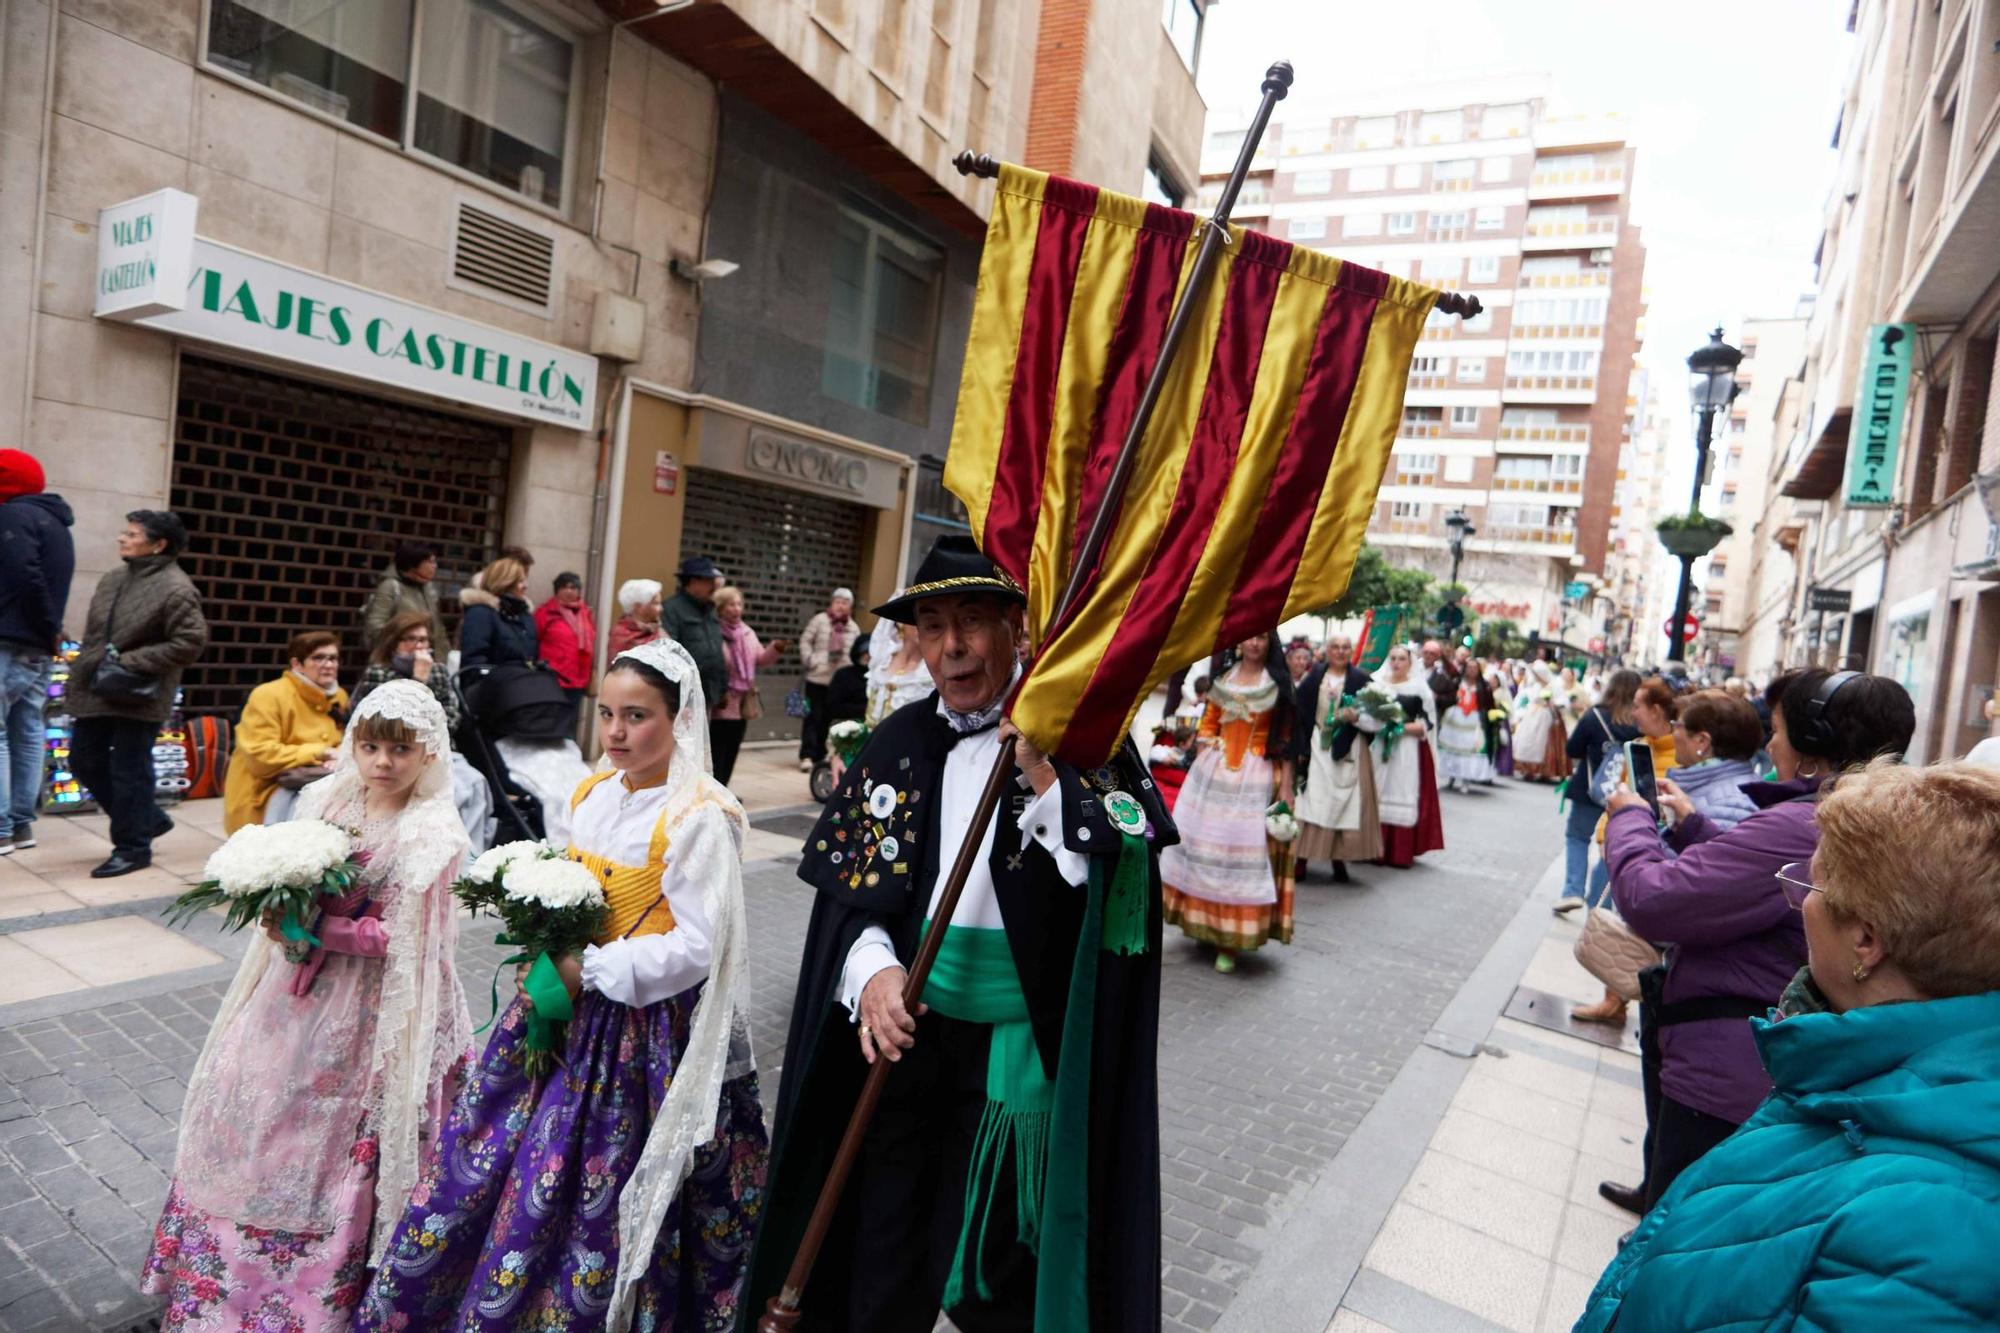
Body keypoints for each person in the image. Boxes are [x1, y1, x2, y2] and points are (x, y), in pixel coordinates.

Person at [747, 535, 1174, 1332]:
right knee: (885, 1238)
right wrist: (872, 971)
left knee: (998, 1266)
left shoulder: (1084, 742)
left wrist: (1046, 778)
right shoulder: (899, 740)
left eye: (972, 620)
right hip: (908, 1035)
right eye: (933, 624)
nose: (951, 645)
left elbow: (1126, 881)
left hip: (1024, 1053)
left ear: (1017, 627)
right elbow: (850, 903)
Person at [360, 640, 767, 1329]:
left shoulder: (700, 813)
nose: (615, 731)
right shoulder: (591, 791)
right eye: (606, 713)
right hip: (563, 991)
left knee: (602, 1164)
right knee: (500, 1141)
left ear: (678, 718)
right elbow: (573, 884)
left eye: (636, 715)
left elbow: (701, 945)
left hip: (641, 1023)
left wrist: (595, 969)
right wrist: (544, 940)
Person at [1574, 760, 2000, 1333]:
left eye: (1812, 886)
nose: (1800, 904)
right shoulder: (1852, 1081)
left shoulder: (1928, 1231)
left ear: (1866, 940)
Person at [142, 682, 472, 1330]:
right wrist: (278, 905)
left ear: (428, 752)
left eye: (400, 749)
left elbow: (411, 938)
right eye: (370, 746)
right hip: (296, 986)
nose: (382, 761)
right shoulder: (327, 798)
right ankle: (225, 1280)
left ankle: (318, 1292)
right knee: (256, 1102)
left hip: (376, 1003)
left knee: (336, 1127)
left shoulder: (430, 830)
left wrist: (324, 928)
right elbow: (293, 869)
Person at [1591, 668, 1916, 1216]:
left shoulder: (1804, 824)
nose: (1771, 743)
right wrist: (1695, 829)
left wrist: (1631, 821)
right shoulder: (1872, 820)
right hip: (1768, 1056)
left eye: (1780, 730)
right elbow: (1760, 880)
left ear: (1813, 744)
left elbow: (1654, 899)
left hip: (1729, 1065)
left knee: (1676, 1233)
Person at [67, 510, 208, 878]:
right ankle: (148, 818)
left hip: (141, 689)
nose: (122, 538)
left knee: (129, 769)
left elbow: (190, 641)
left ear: (158, 544)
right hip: (100, 684)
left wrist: (131, 661)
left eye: (132, 534)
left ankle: (133, 848)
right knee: (83, 759)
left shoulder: (176, 588)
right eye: (124, 532)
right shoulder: (114, 578)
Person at [1161, 632, 1297, 973]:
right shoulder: (1224, 678)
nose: (1255, 643)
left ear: (1270, 643)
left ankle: (1231, 940)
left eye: (1262, 637)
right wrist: (1207, 749)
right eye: (1250, 636)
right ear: (1239, 641)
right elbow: (1208, 724)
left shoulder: (1277, 685)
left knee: (1238, 856)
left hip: (1257, 775)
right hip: (1214, 774)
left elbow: (1287, 740)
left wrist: (1286, 787)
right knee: (1206, 851)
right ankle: (1204, 925)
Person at [0, 449, 74, 855]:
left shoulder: (13, 516)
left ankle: (2, 828)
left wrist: (48, 625)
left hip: (10, 640)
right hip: (36, 645)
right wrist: (51, 629)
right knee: (27, 730)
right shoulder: (56, 522)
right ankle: (20, 826)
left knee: (8, 733)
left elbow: (24, 576)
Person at [223, 631, 350, 833]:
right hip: (265, 794)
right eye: (318, 658)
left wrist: (339, 756)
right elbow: (260, 756)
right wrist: (322, 752)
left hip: (316, 783)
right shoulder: (268, 695)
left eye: (333, 658)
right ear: (296, 664)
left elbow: (344, 740)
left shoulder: (339, 696)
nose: (328, 665)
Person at [1293, 633, 1383, 883]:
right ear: (1327, 650)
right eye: (1335, 647)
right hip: (1316, 745)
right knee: (1310, 802)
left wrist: (1356, 717)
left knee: (1344, 806)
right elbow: (1299, 711)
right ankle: (1301, 858)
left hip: (1348, 748)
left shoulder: (1362, 680)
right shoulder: (1315, 676)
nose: (1340, 651)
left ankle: (1339, 859)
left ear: (1351, 651)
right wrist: (1299, 747)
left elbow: (1378, 720)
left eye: (1345, 647)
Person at [1554, 669, 1641, 914]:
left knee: (1577, 837)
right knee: (1612, 848)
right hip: (1624, 796)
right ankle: (1599, 903)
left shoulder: (1595, 716)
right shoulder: (1640, 724)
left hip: (1589, 790)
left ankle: (1572, 891)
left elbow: (1573, 749)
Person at [1370, 644, 1444, 868]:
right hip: (1379, 745)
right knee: (1377, 788)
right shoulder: (1377, 684)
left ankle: (1399, 851)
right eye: (1393, 658)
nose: (1396, 663)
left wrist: (1401, 728)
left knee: (1401, 789)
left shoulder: (1419, 689)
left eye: (1401, 659)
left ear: (1410, 662)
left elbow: (1427, 724)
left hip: (1406, 749)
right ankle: (1372, 848)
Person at [712, 584, 785, 785]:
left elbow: (760, 658)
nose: (736, 609)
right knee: (717, 749)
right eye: (731, 604)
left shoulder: (747, 632)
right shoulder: (714, 632)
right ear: (720, 608)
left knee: (733, 748)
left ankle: (723, 789)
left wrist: (774, 649)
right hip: (722, 699)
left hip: (743, 700)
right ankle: (713, 789)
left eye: (739, 604)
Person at [1662, 689, 1764, 828]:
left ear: (1702, 741)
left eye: (1677, 725)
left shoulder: (1729, 804)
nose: (1673, 733)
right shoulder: (1725, 789)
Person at [352, 612, 459, 733]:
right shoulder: (378, 673)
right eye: (411, 639)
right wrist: (419, 682)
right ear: (393, 643)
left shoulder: (439, 671)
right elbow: (387, 724)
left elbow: (451, 718)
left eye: (423, 640)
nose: (419, 646)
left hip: (437, 740)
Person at [798, 587, 857, 771]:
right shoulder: (820, 620)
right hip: (817, 678)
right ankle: (807, 755)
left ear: (850, 607)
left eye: (845, 603)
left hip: (838, 682)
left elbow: (856, 652)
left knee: (828, 719)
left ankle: (820, 754)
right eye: (838, 601)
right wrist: (810, 659)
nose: (841, 606)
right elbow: (805, 640)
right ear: (832, 603)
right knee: (812, 718)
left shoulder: (853, 627)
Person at [660, 554, 726, 714]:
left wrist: (723, 687)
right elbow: (668, 652)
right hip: (682, 696)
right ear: (693, 582)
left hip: (708, 693)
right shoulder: (671, 609)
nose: (714, 586)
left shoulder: (710, 610)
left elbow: (717, 650)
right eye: (709, 581)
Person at [360, 540, 448, 651]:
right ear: (413, 565)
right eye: (430, 562)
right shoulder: (390, 586)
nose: (435, 566)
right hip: (400, 655)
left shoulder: (428, 588)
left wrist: (444, 654)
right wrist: (399, 648)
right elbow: (375, 626)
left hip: (427, 654)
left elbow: (437, 627)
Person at [458, 556, 538, 669]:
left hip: (524, 680)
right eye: (520, 581)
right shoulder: (480, 614)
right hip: (494, 680)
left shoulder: (525, 616)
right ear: (505, 583)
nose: (526, 586)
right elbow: (473, 665)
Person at [533, 570, 597, 711]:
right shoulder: (545, 612)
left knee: (571, 721)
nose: (569, 591)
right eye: (564, 587)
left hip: (578, 680)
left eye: (573, 587)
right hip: (552, 679)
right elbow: (533, 641)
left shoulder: (585, 614)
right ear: (557, 590)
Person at [1436, 658, 1497, 793]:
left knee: (1469, 750)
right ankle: (1451, 777)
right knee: (1452, 747)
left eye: (1475, 668)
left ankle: (1466, 780)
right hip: (1455, 718)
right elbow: (1449, 697)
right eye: (1469, 667)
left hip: (1474, 720)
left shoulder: (1483, 686)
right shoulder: (1457, 682)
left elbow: (1489, 705)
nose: (1472, 670)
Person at [1510, 662, 1570, 783]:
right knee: (1528, 741)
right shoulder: (1536, 686)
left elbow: (1563, 702)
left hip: (1549, 716)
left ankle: (1545, 772)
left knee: (1546, 744)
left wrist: (1551, 702)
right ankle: (1529, 770)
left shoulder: (1554, 685)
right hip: (1533, 716)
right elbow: (1531, 699)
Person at [866, 615, 932, 726]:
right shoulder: (882, 660)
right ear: (900, 623)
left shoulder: (932, 669)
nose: (924, 627)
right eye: (917, 620)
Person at [609, 577, 664, 656]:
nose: (661, 608)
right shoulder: (620, 634)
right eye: (655, 603)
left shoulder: (657, 630)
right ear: (639, 607)